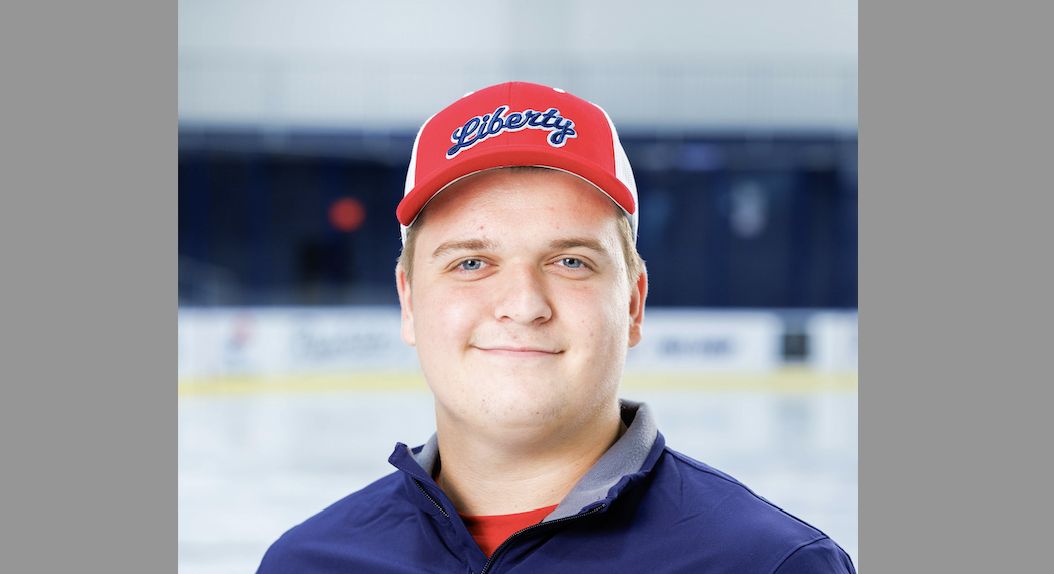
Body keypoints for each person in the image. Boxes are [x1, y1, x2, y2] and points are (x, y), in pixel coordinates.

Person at [257, 81, 856, 574]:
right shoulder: (306, 565)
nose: (522, 304)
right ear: (409, 303)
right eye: (471, 262)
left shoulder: (769, 566)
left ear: (633, 304)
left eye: (571, 261)